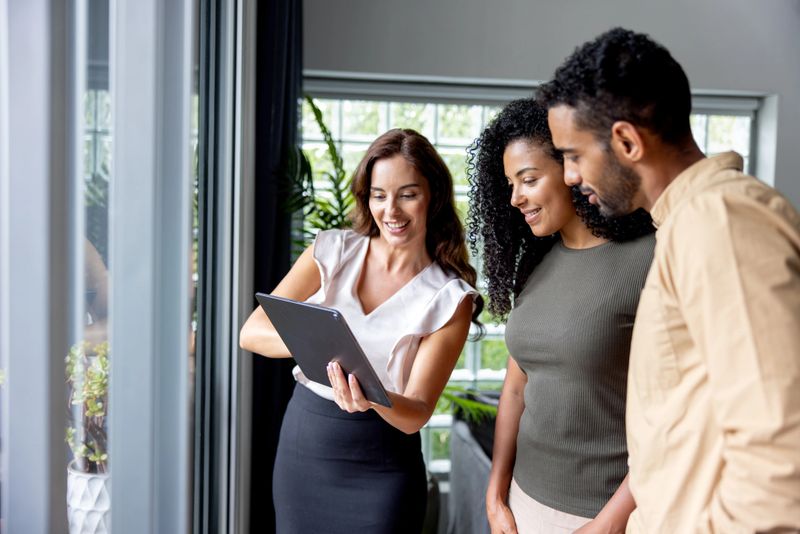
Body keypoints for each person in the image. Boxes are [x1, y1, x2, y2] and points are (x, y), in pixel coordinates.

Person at [539, 27, 800, 533]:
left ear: (627, 141)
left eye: (573, 155)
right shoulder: (688, 224)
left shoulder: (719, 221)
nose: (569, 176)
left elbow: (782, 450)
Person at [239, 128, 482, 534]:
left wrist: (370, 400)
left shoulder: (451, 297)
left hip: (382, 464)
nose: (392, 211)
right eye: (379, 194)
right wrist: (317, 345)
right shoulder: (332, 250)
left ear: (433, 196)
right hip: (306, 446)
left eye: (408, 194)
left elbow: (417, 413)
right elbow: (252, 332)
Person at [467, 98, 655, 534]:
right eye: (510, 184)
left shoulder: (651, 257)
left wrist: (610, 522)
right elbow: (516, 389)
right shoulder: (536, 263)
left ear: (573, 169)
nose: (516, 198)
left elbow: (677, 415)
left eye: (528, 179)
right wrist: (496, 495)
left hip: (606, 513)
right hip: (522, 502)